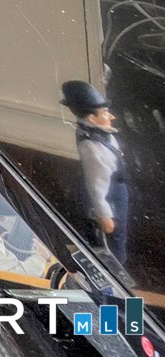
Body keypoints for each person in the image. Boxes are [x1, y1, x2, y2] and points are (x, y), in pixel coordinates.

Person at [60, 81, 127, 264]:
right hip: (110, 194)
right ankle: (111, 271)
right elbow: (96, 186)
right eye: (105, 113)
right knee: (113, 239)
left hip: (114, 187)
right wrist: (104, 214)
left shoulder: (100, 134)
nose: (111, 116)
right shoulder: (93, 148)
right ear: (91, 118)